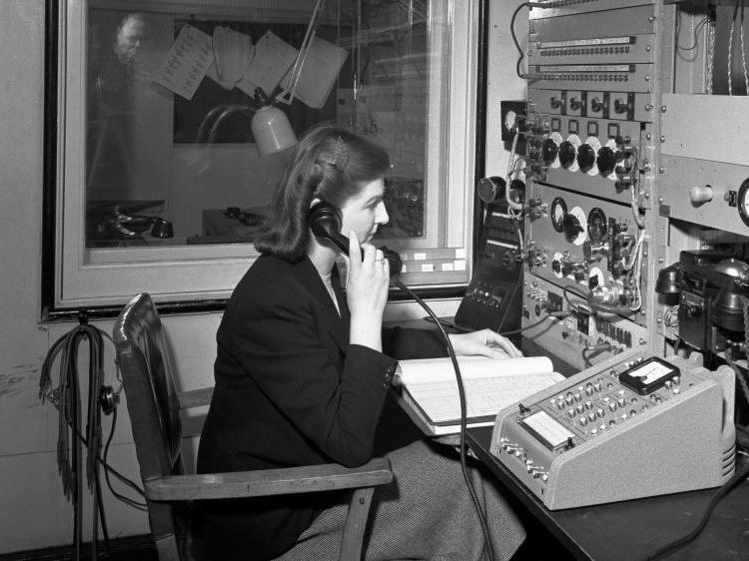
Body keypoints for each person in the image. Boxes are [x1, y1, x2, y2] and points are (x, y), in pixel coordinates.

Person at [196, 125, 527, 561]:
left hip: (305, 481)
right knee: (466, 475)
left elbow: (347, 344)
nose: (386, 217)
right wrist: (368, 311)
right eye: (372, 204)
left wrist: (455, 344)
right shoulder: (273, 301)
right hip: (277, 520)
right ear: (322, 216)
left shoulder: (310, 273)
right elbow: (350, 444)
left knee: (449, 452)